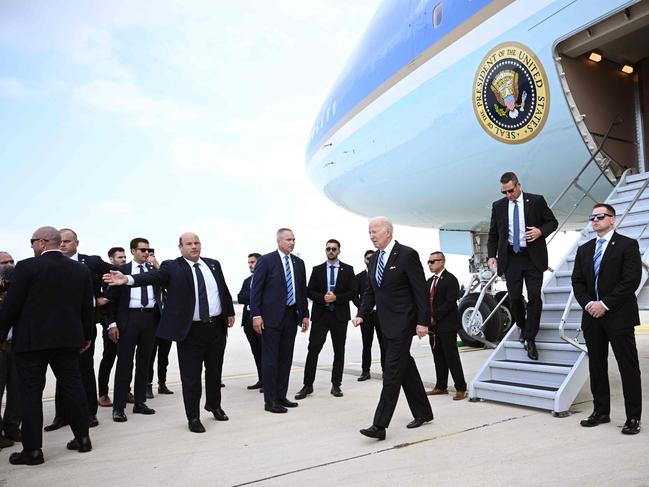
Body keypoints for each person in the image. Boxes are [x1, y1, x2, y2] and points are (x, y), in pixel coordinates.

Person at [104, 232, 235, 433]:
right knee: (191, 376)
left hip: (216, 328)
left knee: (215, 371)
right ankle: (193, 416)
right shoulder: (172, 266)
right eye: (189, 244)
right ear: (180, 247)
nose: (194, 247)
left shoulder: (213, 264)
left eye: (197, 243)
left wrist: (230, 311)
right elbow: (152, 276)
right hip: (190, 330)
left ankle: (214, 405)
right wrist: (128, 279)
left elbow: (222, 290)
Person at [0, 227, 94, 465]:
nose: (32, 246)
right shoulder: (80, 269)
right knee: (73, 388)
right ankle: (83, 438)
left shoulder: (27, 267)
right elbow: (87, 307)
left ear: (42, 242)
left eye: (33, 242)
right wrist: (87, 335)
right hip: (68, 340)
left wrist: (1, 334)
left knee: (31, 394)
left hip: (32, 342)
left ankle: (32, 451)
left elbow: (12, 305)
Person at [353, 217, 433, 440]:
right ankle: (424, 412)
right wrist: (361, 314)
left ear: (388, 232)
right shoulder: (375, 258)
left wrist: (423, 321)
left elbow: (420, 291)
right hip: (384, 323)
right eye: (369, 232)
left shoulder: (407, 255)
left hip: (403, 322)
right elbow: (371, 291)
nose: (371, 235)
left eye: (374, 231)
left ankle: (379, 425)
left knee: (391, 373)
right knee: (405, 367)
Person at [572, 203, 642, 435]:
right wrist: (589, 304)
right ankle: (601, 411)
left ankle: (633, 417)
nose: (595, 220)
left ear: (612, 219)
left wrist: (605, 304)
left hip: (618, 316)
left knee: (628, 367)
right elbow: (578, 282)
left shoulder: (627, 245)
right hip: (592, 317)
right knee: (597, 365)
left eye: (600, 216)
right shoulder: (584, 249)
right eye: (592, 217)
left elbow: (630, 281)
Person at [45, 228, 115, 431]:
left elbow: (119, 275)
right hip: (58, 325)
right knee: (61, 370)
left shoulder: (91, 262)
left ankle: (89, 413)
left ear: (77, 242)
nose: (63, 245)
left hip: (84, 324)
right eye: (60, 241)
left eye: (67, 241)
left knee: (84, 369)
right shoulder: (51, 263)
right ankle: (62, 416)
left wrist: (104, 297)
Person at [487, 172, 558, 360]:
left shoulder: (536, 201)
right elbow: (493, 234)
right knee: (515, 297)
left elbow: (553, 222)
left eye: (511, 190)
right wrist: (490, 256)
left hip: (533, 257)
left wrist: (540, 231)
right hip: (511, 258)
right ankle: (521, 325)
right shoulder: (499, 206)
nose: (508, 195)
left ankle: (530, 337)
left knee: (534, 296)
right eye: (505, 192)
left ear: (518, 185)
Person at [249, 228, 309, 414]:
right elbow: (256, 290)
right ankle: (270, 400)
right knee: (270, 360)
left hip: (291, 316)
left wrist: (305, 314)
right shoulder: (267, 261)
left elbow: (301, 291)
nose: (292, 242)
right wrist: (256, 315)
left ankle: (281, 396)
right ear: (279, 241)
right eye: (288, 239)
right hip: (270, 318)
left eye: (293, 239)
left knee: (285, 358)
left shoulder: (298, 263)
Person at [106, 238, 161, 422]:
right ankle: (119, 407)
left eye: (149, 250)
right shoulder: (121, 271)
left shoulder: (154, 272)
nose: (146, 253)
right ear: (132, 251)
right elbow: (109, 300)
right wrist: (112, 324)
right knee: (124, 363)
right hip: (128, 319)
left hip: (150, 319)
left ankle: (140, 402)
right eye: (142, 250)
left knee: (144, 362)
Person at [296, 239, 355, 399]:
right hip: (321, 316)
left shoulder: (348, 270)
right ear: (325, 250)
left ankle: (336, 385)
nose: (331, 251)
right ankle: (307, 385)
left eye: (334, 249)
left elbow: (352, 292)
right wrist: (323, 298)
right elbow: (309, 291)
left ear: (339, 251)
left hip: (339, 317)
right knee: (313, 350)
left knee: (339, 351)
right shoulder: (317, 270)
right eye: (328, 249)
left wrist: (336, 298)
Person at [425, 252, 467, 400]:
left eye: (433, 262)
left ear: (442, 262)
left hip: (447, 324)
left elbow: (450, 303)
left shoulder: (450, 279)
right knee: (438, 356)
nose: (430, 264)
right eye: (428, 262)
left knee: (451, 357)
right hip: (433, 327)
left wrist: (434, 316)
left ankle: (461, 388)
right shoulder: (429, 281)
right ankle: (441, 386)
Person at [97, 246, 128, 407]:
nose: (123, 260)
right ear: (111, 259)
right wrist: (111, 325)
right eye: (119, 257)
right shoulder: (106, 278)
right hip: (111, 325)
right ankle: (102, 393)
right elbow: (104, 305)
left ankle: (125, 390)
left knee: (127, 359)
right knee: (109, 358)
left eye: (124, 257)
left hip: (127, 324)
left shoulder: (127, 276)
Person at [353, 249, 384, 381]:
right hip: (365, 316)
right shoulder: (359, 277)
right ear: (364, 260)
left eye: (372, 258)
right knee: (367, 344)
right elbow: (354, 296)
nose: (370, 260)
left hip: (381, 314)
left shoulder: (382, 274)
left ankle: (386, 370)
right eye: (368, 258)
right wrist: (362, 310)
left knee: (384, 344)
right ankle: (365, 371)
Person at [0, 253, 21, 447]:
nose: (9, 265)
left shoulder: (19, 289)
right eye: (4, 262)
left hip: (17, 346)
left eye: (11, 261)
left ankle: (13, 427)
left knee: (17, 390)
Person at [237, 253, 263, 390]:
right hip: (247, 321)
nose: (250, 265)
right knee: (256, 352)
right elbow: (240, 297)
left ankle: (269, 381)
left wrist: (251, 295)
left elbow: (263, 297)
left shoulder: (266, 279)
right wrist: (253, 294)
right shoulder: (247, 280)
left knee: (265, 352)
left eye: (253, 262)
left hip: (261, 321)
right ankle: (261, 379)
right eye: (249, 262)